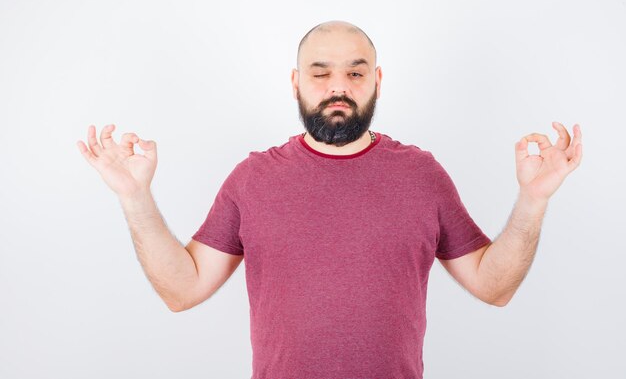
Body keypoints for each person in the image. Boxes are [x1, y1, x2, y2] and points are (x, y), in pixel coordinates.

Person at [76, 20, 583, 379]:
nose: (338, 87)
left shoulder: (422, 176)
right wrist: (135, 196)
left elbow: (493, 286)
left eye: (356, 73)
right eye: (320, 73)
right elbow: (181, 291)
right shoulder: (253, 179)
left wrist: (533, 199)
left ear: (377, 81)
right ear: (297, 83)